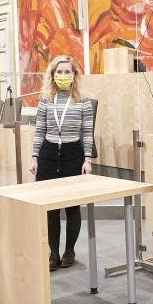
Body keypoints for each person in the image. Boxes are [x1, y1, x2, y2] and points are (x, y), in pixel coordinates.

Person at [29, 56, 95, 271]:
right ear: (52, 74)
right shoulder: (45, 99)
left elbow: (87, 133)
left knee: (72, 206)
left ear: (74, 75)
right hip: (48, 153)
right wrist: (34, 157)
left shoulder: (83, 101)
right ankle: (53, 253)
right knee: (50, 208)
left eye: (68, 72)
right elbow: (39, 130)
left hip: (72, 154)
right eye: (59, 72)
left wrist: (87, 160)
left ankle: (69, 251)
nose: (63, 76)